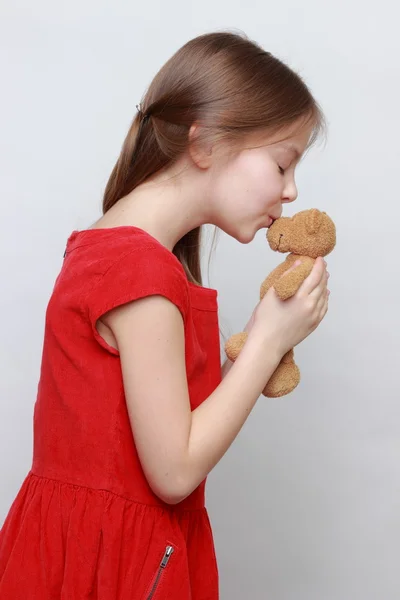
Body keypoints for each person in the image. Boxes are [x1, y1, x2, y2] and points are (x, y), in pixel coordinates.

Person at [0, 30, 329, 599]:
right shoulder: (140, 273)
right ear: (204, 145)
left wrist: (257, 338)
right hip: (117, 566)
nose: (292, 190)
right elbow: (174, 472)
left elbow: (155, 431)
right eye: (282, 165)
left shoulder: (117, 250)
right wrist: (267, 346)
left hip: (97, 550)